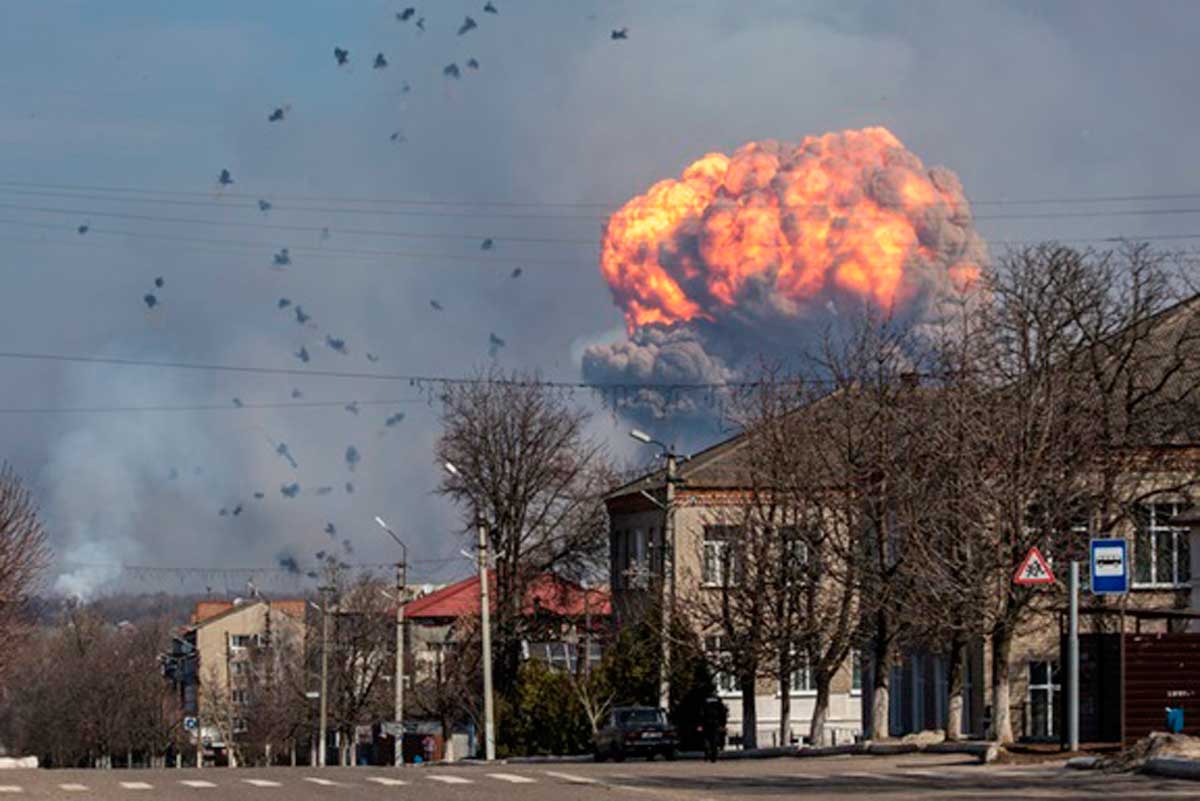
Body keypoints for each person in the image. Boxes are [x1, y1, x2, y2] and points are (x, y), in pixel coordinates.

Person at [701, 697, 727, 762]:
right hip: (715, 724)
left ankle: (708, 754)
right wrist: (722, 724)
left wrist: (700, 724)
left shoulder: (705, 701)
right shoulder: (718, 702)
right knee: (714, 740)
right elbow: (723, 714)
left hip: (707, 724)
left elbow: (701, 714)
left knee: (708, 740)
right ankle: (712, 755)